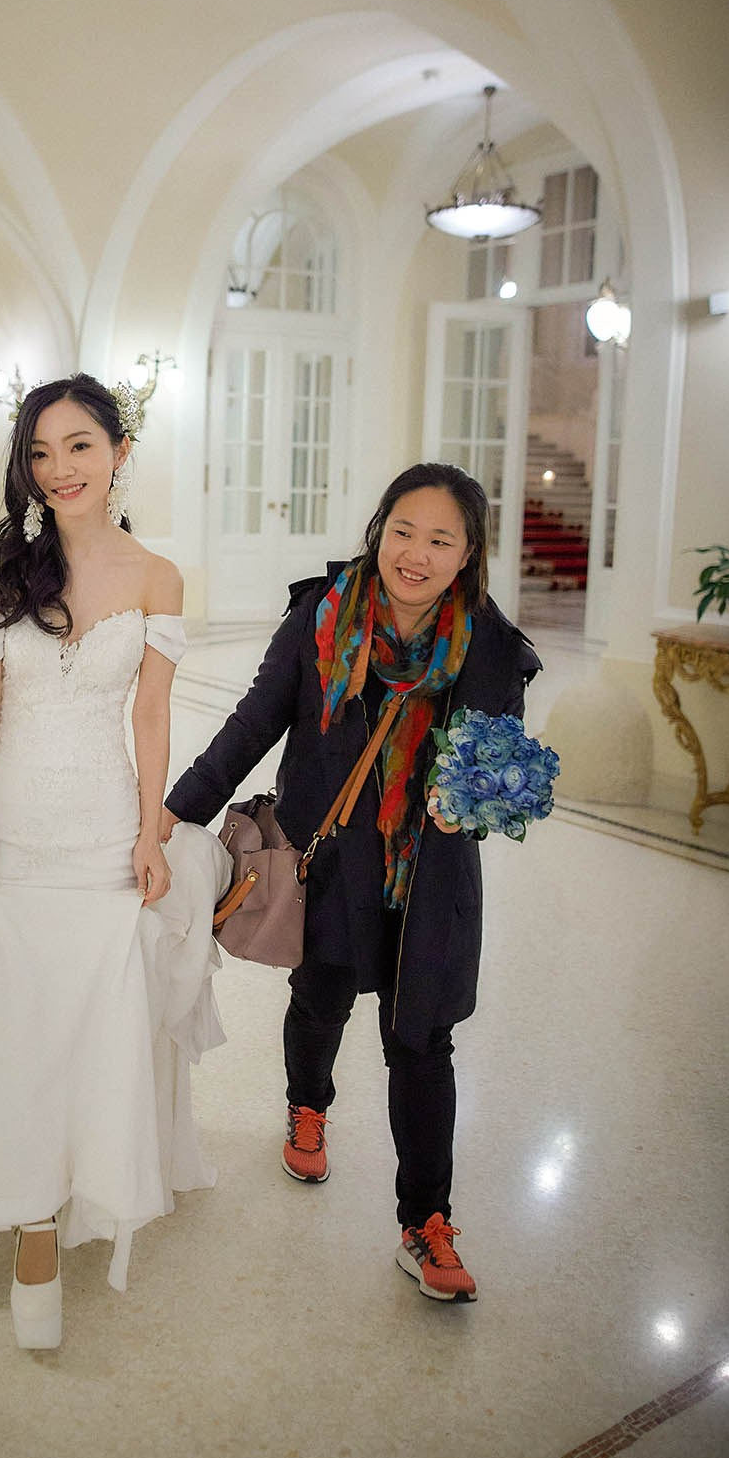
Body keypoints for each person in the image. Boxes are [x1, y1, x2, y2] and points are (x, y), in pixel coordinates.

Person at [161, 462, 541, 1303]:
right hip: (330, 862)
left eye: (441, 540)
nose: (416, 554)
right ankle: (308, 1104)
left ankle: (425, 1223)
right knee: (322, 997)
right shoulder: (321, 617)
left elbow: (498, 772)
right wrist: (178, 812)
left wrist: (471, 807)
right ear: (379, 529)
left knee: (422, 1041)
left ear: (469, 554)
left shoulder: (490, 648)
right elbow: (255, 721)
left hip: (429, 877)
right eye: (403, 531)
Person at [0, 374, 229, 1349]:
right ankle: (29, 1216)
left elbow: (148, 714)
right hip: (14, 830)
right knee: (13, 1010)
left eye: (80, 446)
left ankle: (76, 1192)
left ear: (118, 450)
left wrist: (150, 831)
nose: (61, 470)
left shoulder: (156, 576)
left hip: (100, 829)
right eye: (42, 452)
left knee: (91, 1014)